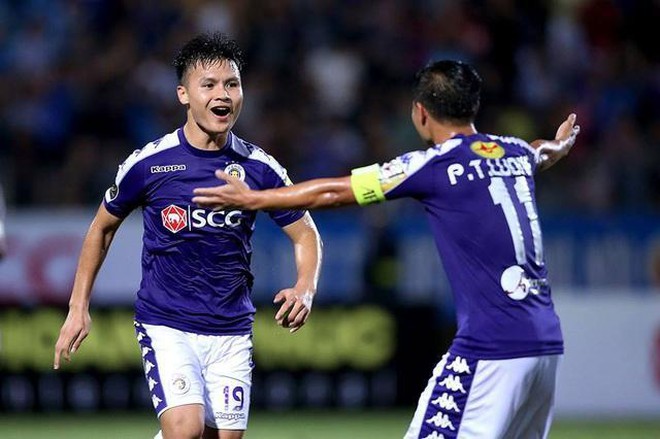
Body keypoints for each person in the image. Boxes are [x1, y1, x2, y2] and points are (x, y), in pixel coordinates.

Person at [192, 60, 580, 439]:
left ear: (420, 113)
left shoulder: (434, 165)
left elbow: (335, 192)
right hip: (545, 345)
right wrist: (561, 144)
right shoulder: (514, 153)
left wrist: (256, 199)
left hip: (491, 346)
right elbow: (542, 150)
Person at [53, 32, 323, 439]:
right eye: (208, 85)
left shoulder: (259, 168)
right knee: (185, 429)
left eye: (232, 84)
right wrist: (78, 306)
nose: (223, 94)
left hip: (231, 328)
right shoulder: (150, 164)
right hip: (167, 322)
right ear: (183, 94)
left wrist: (305, 287)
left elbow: (305, 234)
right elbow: (102, 227)